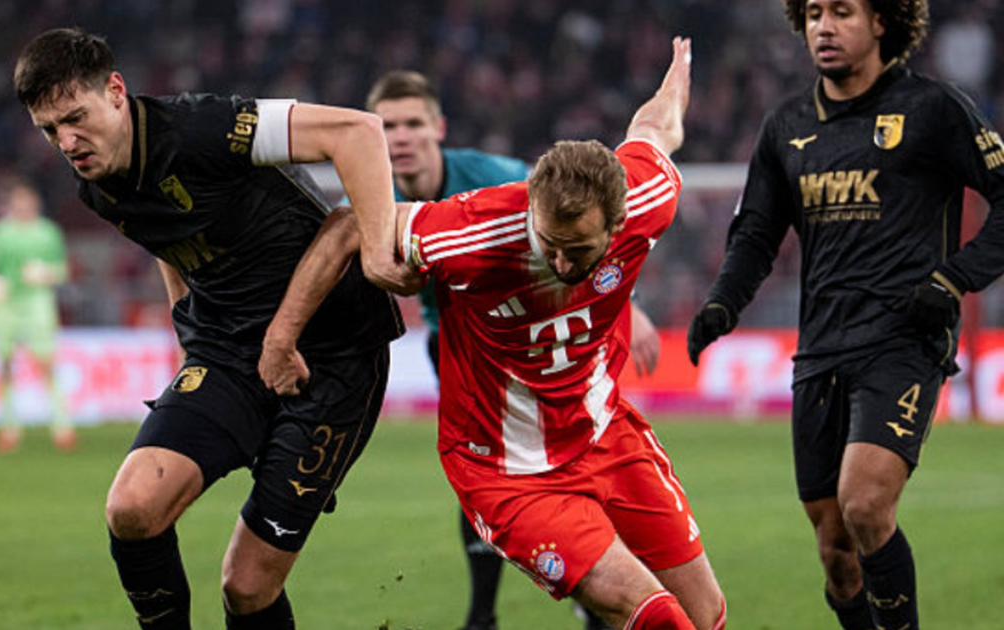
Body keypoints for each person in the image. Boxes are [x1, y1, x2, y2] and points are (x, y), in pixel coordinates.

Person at [283, 37, 725, 630]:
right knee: (655, 616)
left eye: (581, 251)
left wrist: (680, 74)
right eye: (552, 246)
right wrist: (280, 339)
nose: (565, 266)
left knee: (708, 614)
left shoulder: (647, 196)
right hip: (507, 472)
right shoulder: (478, 230)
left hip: (606, 437)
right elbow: (343, 228)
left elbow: (656, 126)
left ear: (618, 224)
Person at [13, 27, 405, 630]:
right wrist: (186, 327)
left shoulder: (202, 127)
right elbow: (164, 234)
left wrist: (379, 252)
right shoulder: (96, 184)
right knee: (133, 509)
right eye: (49, 130)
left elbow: (356, 132)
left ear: (116, 91)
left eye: (74, 117)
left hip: (334, 356)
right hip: (229, 351)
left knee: (246, 587)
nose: (66, 141)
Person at [686, 2, 1004, 629]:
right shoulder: (787, 126)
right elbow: (756, 233)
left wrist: (954, 278)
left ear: (883, 21)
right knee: (835, 548)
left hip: (903, 341)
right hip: (821, 348)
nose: (823, 27)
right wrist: (724, 302)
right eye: (812, 14)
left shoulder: (934, 110)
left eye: (842, 12)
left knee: (864, 504)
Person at [366, 69, 662, 630]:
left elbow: (581, 221)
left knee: (569, 455)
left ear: (438, 127)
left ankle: (586, 575)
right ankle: (487, 613)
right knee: (485, 465)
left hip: (539, 335)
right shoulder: (375, 189)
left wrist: (634, 304)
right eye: (387, 127)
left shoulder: (496, 178)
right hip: (460, 344)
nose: (399, 137)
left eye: (411, 124)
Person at [0, 177, 73, 452]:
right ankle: (9, 425)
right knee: (5, 364)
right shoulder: (0, 233)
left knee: (47, 362)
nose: (24, 207)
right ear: (12, 205)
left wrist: (46, 273)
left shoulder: (48, 233)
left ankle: (61, 425)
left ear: (36, 205)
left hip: (38, 302)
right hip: (5, 304)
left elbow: (62, 270)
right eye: (19, 202)